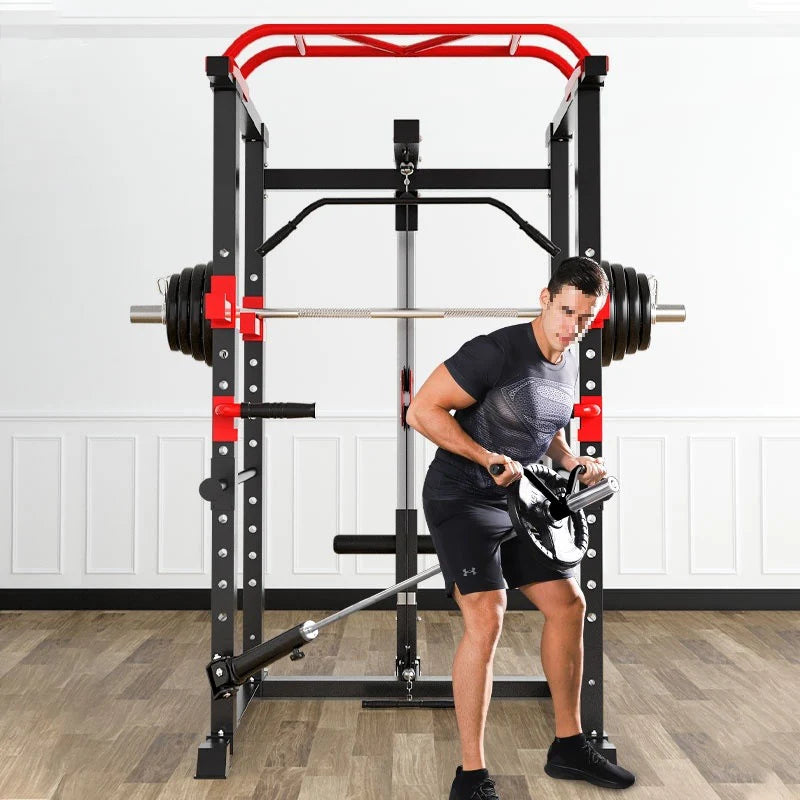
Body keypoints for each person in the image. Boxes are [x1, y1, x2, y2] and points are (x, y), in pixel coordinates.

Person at [406, 256, 636, 799]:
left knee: (568, 604)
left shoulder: (570, 360)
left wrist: (573, 461)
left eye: (584, 317)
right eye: (564, 311)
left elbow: (543, 431)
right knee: (487, 615)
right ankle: (471, 776)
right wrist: (485, 457)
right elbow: (422, 411)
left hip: (522, 496)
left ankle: (568, 747)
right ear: (544, 297)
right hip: (461, 497)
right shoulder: (496, 351)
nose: (571, 326)